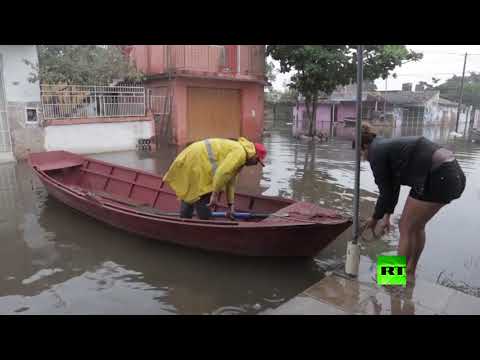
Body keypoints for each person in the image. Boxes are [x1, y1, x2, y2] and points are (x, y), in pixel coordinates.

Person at [355, 123, 466, 283]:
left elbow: (385, 193)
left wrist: (373, 220)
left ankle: (392, 279)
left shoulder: (375, 153)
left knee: (405, 227)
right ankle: (409, 272)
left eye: (359, 150)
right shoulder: (384, 145)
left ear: (365, 145)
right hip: (450, 174)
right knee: (415, 227)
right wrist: (386, 217)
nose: (360, 155)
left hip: (438, 176)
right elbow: (392, 187)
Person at [163, 137, 267, 220]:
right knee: (203, 194)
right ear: (254, 155)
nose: (255, 164)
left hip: (192, 156)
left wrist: (231, 205)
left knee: (191, 193)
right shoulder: (240, 153)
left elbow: (230, 182)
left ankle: (184, 222)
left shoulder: (240, 153)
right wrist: (215, 195)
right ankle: (204, 223)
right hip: (197, 160)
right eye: (257, 161)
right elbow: (221, 173)